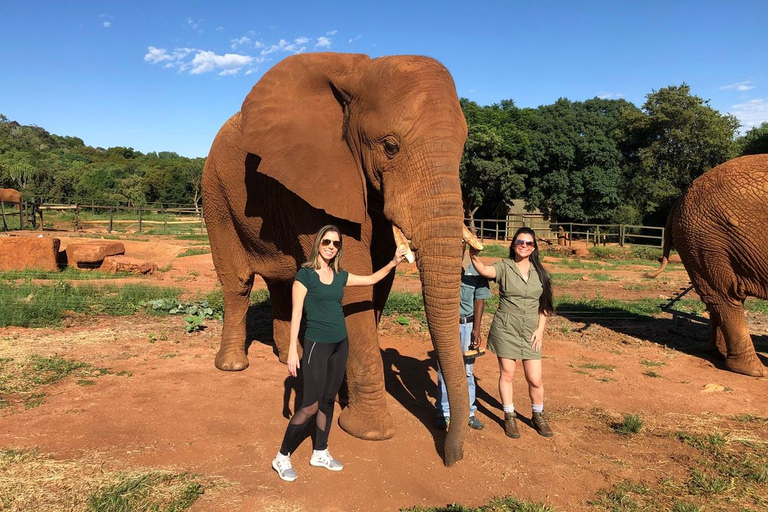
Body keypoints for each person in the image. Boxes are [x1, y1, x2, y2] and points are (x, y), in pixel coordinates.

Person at [272, 225, 408, 482]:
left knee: (327, 399)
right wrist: (292, 350)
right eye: (326, 242)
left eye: (335, 243)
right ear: (318, 244)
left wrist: (393, 262)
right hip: (316, 345)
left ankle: (320, 451)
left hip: (339, 344)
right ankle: (282, 456)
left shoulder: (339, 276)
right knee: (310, 405)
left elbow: (369, 280)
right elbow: (296, 315)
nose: (331, 247)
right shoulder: (305, 276)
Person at [469, 227, 555, 439]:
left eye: (529, 243)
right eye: (520, 242)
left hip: (531, 332)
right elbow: (485, 271)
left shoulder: (541, 273)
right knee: (507, 374)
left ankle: (538, 414)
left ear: (534, 247)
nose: (524, 246)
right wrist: (472, 254)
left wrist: (540, 330)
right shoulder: (505, 266)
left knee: (535, 378)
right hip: (506, 328)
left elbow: (544, 306)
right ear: (513, 245)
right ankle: (509, 415)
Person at [435, 242, 490, 431]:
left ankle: (469, 412)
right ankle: (445, 413)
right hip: (446, 327)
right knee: (444, 370)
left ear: (465, 247)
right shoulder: (440, 268)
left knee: (467, 371)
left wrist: (476, 329)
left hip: (467, 325)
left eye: (460, 245)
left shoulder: (475, 269)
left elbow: (480, 298)